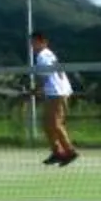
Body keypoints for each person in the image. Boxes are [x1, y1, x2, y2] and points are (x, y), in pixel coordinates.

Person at [31, 31, 78, 166]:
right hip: (54, 92)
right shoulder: (48, 54)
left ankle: (70, 151)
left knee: (55, 123)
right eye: (32, 42)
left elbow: (44, 77)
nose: (33, 45)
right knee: (47, 124)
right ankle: (57, 152)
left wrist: (36, 90)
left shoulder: (42, 56)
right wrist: (38, 90)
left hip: (57, 93)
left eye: (35, 42)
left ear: (43, 42)